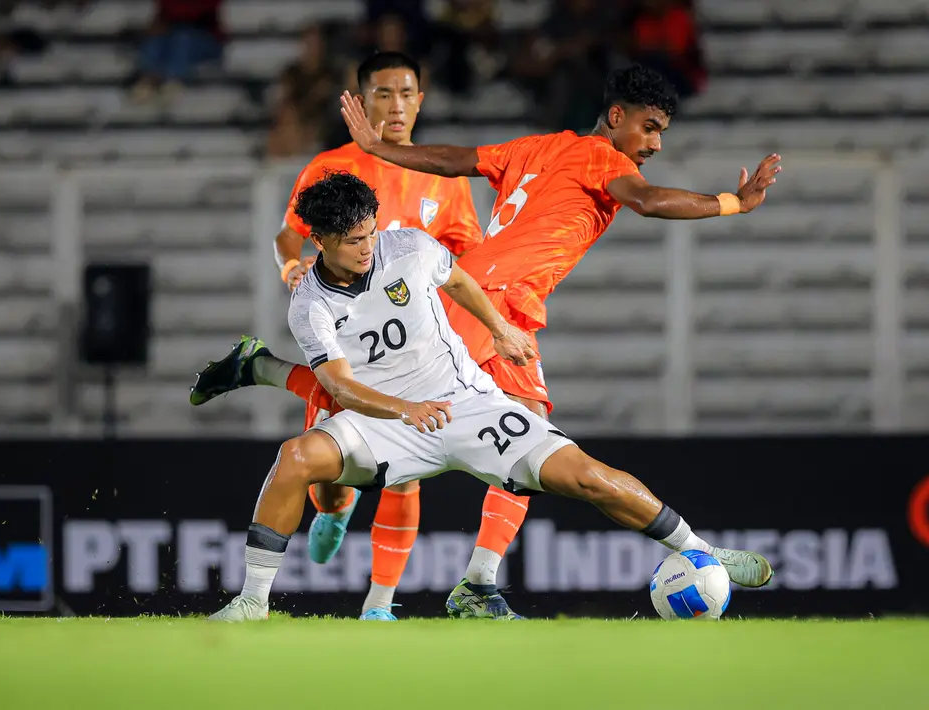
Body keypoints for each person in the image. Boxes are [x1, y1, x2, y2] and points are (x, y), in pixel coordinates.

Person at [194, 63, 781, 618]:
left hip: (474, 287)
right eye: (649, 128)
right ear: (615, 115)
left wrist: (383, 150)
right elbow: (649, 201)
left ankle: (265, 371)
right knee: (503, 418)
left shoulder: (539, 147)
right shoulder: (602, 157)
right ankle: (480, 580)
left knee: (421, 393)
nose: (654, 144)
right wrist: (735, 203)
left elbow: (453, 161)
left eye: (661, 133)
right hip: (498, 299)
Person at [195, 51, 534, 622]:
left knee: (407, 469)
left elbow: (464, 254)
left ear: (420, 101)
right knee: (327, 480)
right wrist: (291, 264)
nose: (396, 105)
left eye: (406, 93)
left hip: (412, 340)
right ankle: (331, 505)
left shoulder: (441, 175)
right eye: (383, 94)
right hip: (346, 329)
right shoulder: (332, 167)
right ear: (360, 101)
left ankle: (378, 607)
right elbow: (289, 234)